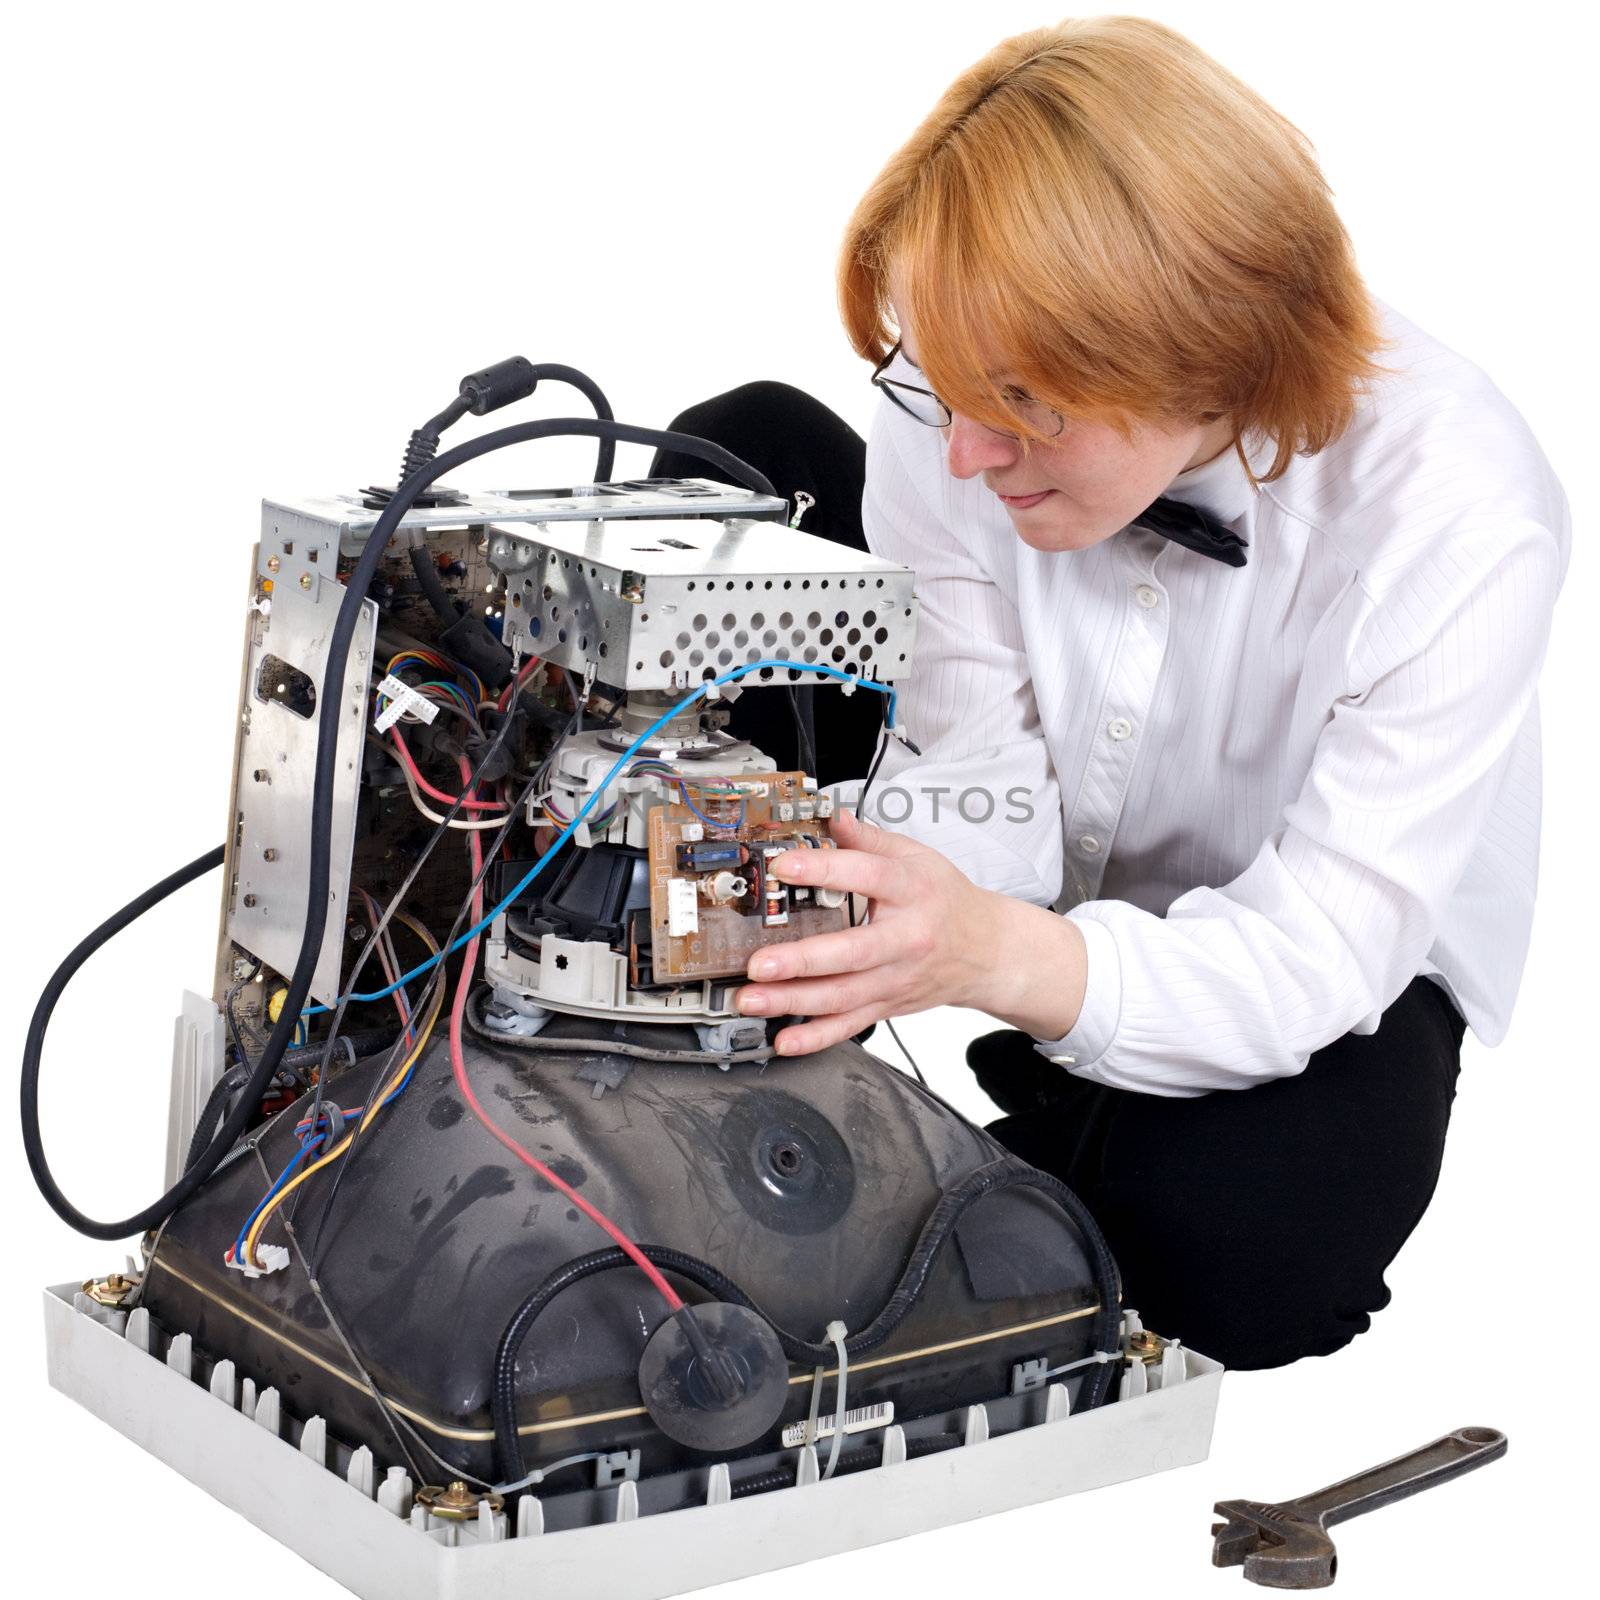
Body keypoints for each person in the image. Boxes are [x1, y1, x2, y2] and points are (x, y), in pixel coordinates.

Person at [650, 17, 1569, 1369]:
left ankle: (1047, 1123)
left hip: (1312, 943)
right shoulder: (951, 423)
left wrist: (986, 957)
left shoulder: (1460, 511)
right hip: (1042, 850)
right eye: (947, 387)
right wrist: (817, 865)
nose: (965, 450)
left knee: (1249, 1258)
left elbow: (1317, 951)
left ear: (1205, 346)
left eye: (1024, 401)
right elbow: (984, 769)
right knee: (749, 453)